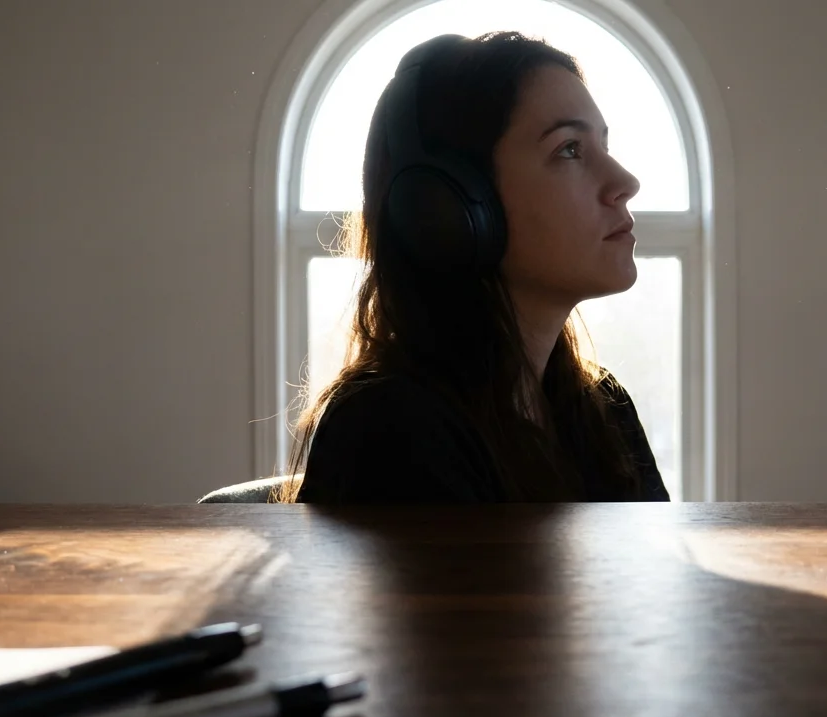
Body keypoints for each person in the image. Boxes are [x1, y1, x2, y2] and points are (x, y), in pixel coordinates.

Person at [284, 31, 668, 504]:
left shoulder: (603, 409)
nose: (625, 182)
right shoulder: (389, 428)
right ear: (452, 209)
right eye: (569, 149)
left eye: (604, 147)